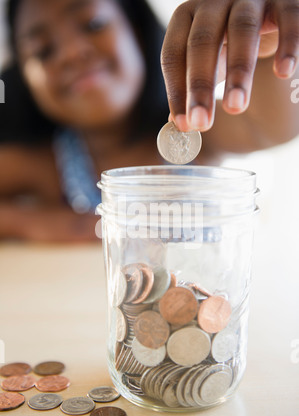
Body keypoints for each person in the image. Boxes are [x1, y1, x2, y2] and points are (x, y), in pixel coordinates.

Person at [0, 0, 298, 243]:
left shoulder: (199, 126)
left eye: (92, 24)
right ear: (25, 83)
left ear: (137, 32)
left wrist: (268, 43)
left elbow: (281, 124)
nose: (71, 53)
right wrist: (28, 222)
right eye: (43, 51)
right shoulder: (49, 163)